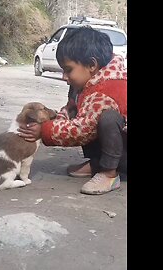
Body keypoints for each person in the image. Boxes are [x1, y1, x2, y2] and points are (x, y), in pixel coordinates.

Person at [17, 27, 127, 195]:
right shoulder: (88, 83)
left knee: (108, 119)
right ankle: (97, 163)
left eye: (68, 70)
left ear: (92, 64)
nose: (64, 77)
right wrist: (57, 118)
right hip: (119, 147)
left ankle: (109, 172)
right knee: (83, 112)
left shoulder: (105, 90)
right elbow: (71, 111)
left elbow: (83, 130)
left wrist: (45, 130)